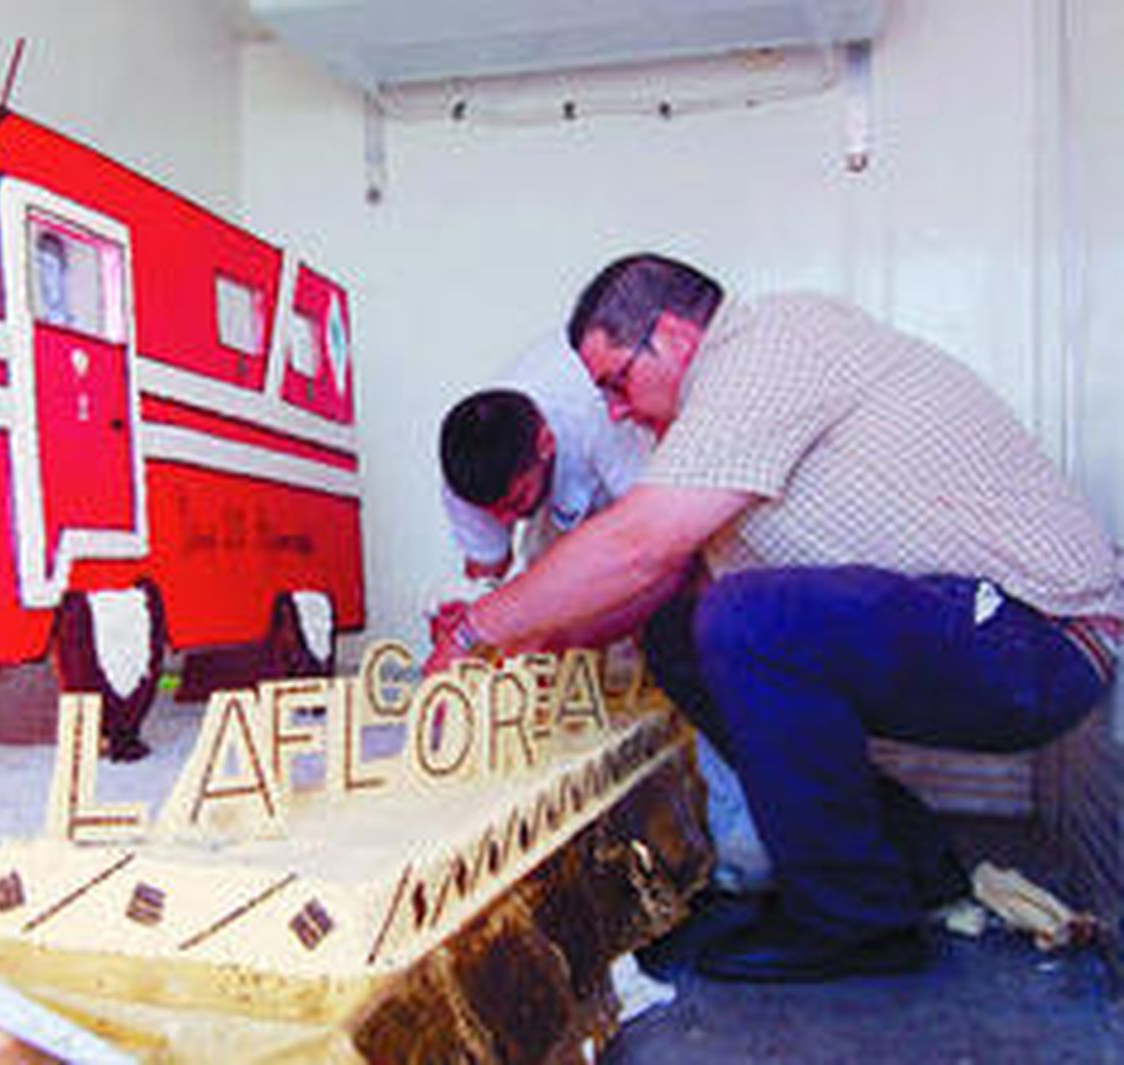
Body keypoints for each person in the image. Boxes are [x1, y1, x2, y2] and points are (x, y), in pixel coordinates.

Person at [428, 252, 1120, 982]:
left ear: (671, 336)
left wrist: (480, 630)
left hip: (1045, 637)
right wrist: (533, 636)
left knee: (744, 618)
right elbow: (656, 579)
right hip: (985, 632)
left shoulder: (768, 347)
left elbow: (638, 543)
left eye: (617, 382)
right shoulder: (717, 408)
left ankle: (853, 919)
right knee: (683, 631)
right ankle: (906, 872)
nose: (613, 411)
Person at [439, 334, 647, 583]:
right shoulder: (464, 477)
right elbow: (489, 567)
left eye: (515, 501)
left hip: (633, 486)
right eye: (492, 512)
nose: (506, 520)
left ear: (545, 442)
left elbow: (649, 535)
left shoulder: (597, 411)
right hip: (558, 499)